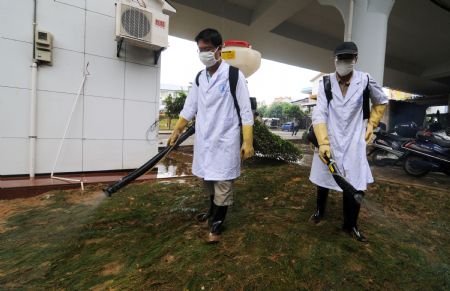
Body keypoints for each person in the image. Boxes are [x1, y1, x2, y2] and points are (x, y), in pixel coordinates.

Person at [168, 28, 254, 244]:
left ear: (220, 49)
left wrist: (247, 141)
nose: (203, 53)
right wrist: (178, 128)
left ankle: (217, 223)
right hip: (205, 141)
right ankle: (211, 210)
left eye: (207, 49)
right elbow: (190, 106)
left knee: (222, 182)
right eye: (200, 49)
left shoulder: (234, 75)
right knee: (208, 180)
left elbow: (245, 111)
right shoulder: (200, 77)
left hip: (225, 140)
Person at [309, 41, 388, 242]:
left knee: (355, 182)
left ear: (355, 60)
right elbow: (320, 113)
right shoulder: (325, 82)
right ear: (335, 60)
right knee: (324, 178)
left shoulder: (365, 80)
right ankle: (320, 210)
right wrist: (323, 142)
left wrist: (372, 124)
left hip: (354, 139)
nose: (344, 62)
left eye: (348, 58)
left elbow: (382, 101)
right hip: (330, 136)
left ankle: (350, 224)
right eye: (340, 58)